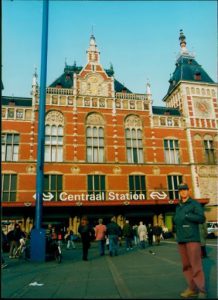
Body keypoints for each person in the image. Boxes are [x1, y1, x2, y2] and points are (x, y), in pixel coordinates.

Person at [173, 183, 207, 299]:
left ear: (189, 190)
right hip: (181, 239)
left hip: (192, 238)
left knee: (196, 265)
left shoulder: (194, 204)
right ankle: (192, 289)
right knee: (186, 266)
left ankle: (202, 290)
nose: (183, 192)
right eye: (181, 190)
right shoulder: (178, 206)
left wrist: (188, 215)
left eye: (185, 190)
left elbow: (202, 218)